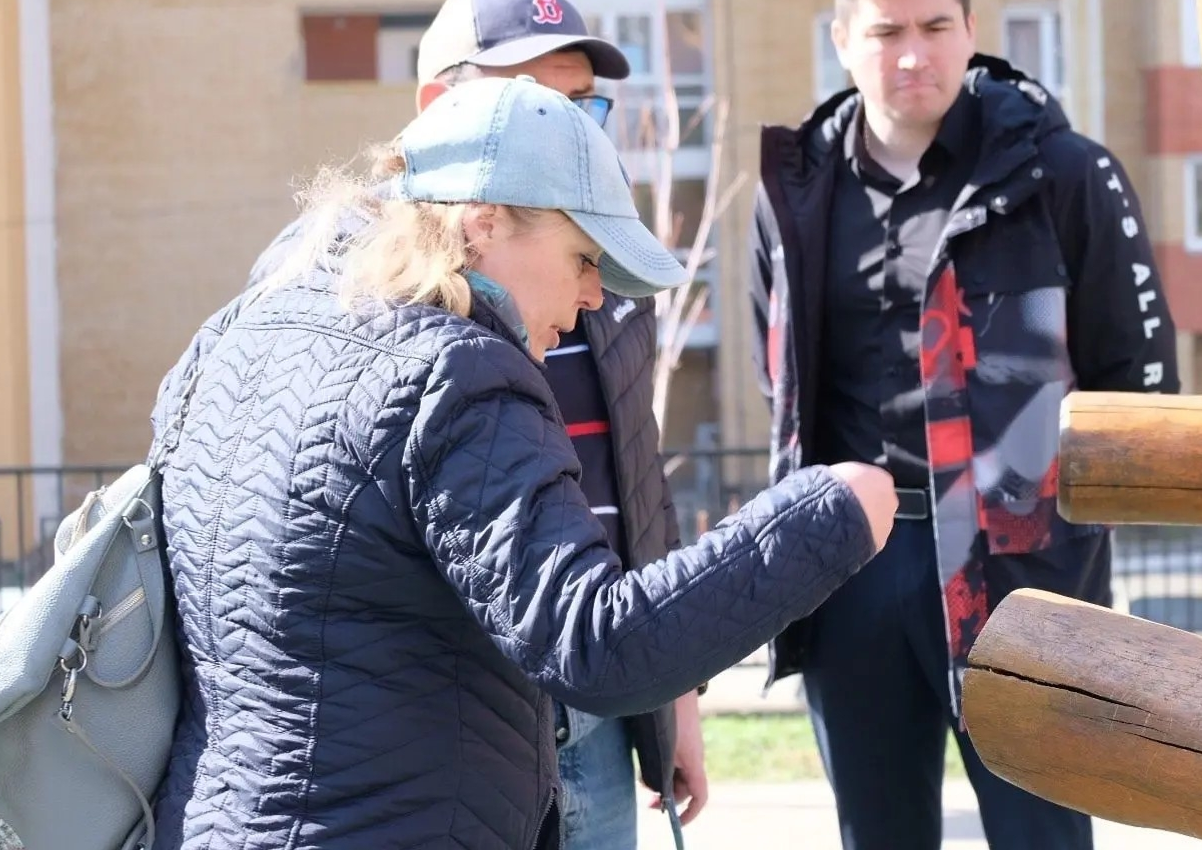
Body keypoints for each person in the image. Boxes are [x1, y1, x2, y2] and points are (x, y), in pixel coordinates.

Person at [151, 75, 898, 850]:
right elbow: (597, 644)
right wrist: (829, 514)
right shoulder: (453, 375)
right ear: (484, 223)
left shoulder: (238, 338)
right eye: (583, 257)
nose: (594, 296)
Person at [748, 0, 1180, 850]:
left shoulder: (1062, 174)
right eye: (887, 32)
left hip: (1021, 571)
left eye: (936, 27)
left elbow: (1135, 383)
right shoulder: (797, 193)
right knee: (877, 834)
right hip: (851, 562)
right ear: (842, 40)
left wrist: (1072, 538)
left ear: (971, 30)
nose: (914, 55)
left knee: (1041, 835)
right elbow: (777, 374)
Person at [247, 0, 704, 848]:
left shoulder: (606, 272)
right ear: (436, 106)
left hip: (596, 698)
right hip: (448, 713)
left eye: (583, 104)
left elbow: (639, 481)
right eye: (531, 99)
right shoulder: (343, 273)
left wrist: (675, 697)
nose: (568, 128)